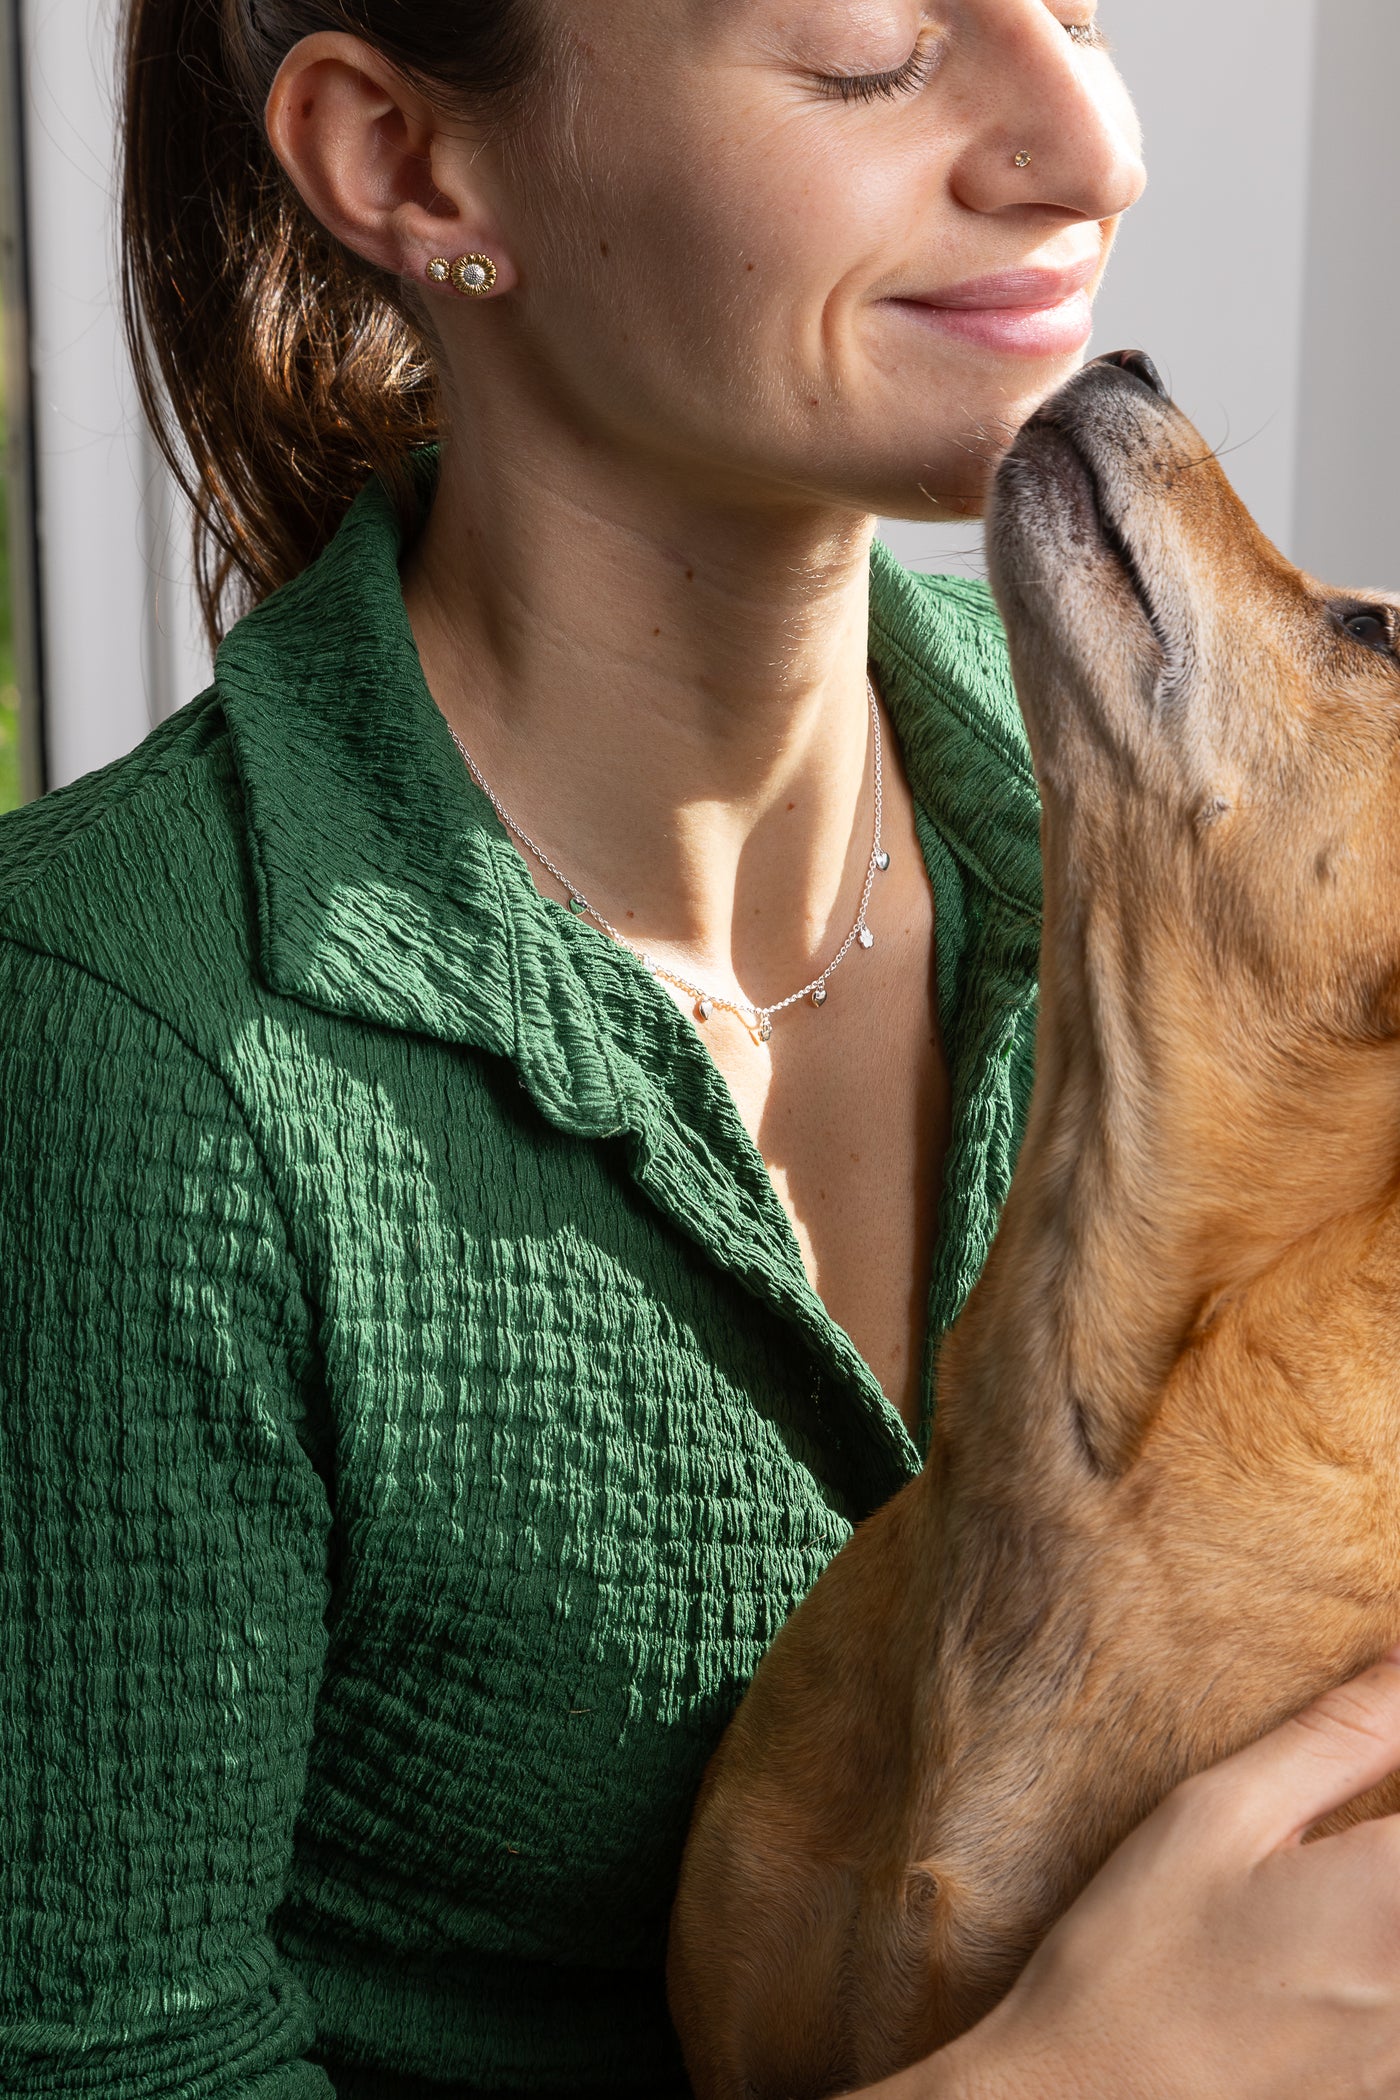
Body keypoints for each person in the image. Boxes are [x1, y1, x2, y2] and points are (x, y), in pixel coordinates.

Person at [5, 0, 1400, 2094]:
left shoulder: (1201, 846)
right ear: (406, 161)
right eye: (865, 51)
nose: (1088, 142)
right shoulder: (126, 1045)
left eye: (1080, 7)